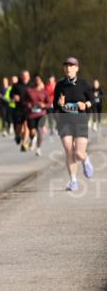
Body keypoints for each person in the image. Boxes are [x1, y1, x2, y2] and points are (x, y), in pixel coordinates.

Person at [53, 57, 95, 192]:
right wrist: (59, 104)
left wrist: (85, 104)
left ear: (77, 68)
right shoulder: (60, 85)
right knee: (69, 150)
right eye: (66, 66)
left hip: (80, 121)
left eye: (71, 66)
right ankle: (73, 181)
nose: (68, 69)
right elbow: (55, 105)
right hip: (64, 121)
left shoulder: (83, 84)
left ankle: (85, 160)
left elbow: (93, 100)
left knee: (79, 152)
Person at [25, 76, 51, 157]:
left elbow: (49, 103)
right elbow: (24, 101)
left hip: (41, 114)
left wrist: (44, 105)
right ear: (34, 81)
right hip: (31, 114)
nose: (37, 81)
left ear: (41, 81)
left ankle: (38, 148)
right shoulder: (29, 91)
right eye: (36, 80)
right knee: (32, 131)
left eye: (39, 80)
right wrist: (27, 104)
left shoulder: (45, 92)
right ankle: (33, 138)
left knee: (40, 130)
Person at [10, 70, 31, 149]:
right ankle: (17, 135)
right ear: (21, 76)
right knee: (18, 125)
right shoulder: (16, 85)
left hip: (28, 109)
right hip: (19, 108)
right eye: (23, 75)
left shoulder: (32, 85)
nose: (25, 77)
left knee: (26, 125)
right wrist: (14, 97)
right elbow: (11, 94)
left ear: (29, 76)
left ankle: (25, 143)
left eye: (26, 75)